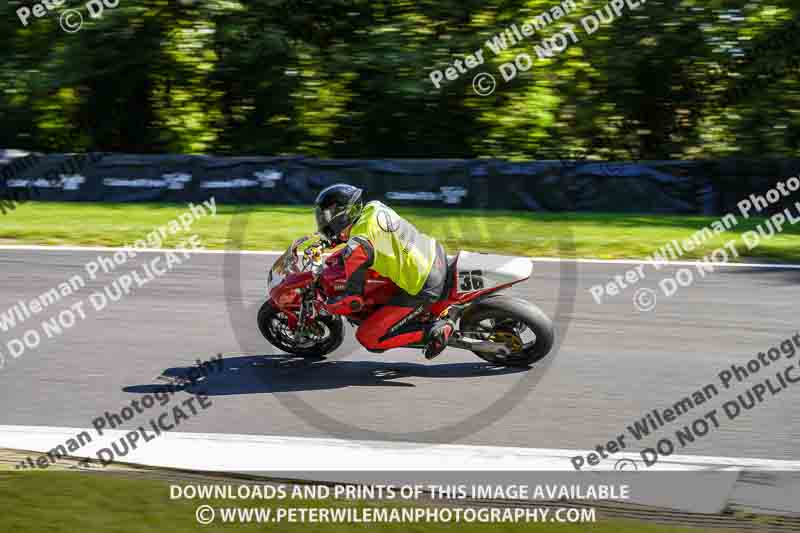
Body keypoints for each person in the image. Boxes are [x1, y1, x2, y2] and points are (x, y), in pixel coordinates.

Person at [314, 183, 454, 359]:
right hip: (432, 253)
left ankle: (433, 332)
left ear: (341, 215)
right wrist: (334, 239)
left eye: (327, 215)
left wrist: (327, 306)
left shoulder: (358, 247)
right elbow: (369, 238)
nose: (324, 220)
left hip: (424, 284)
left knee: (369, 338)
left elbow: (353, 301)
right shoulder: (374, 208)